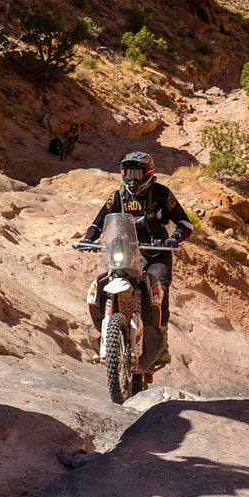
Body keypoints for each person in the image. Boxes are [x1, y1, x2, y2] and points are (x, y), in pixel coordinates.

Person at [80, 151, 192, 364]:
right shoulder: (118, 196)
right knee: (103, 282)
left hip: (156, 253)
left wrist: (174, 238)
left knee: (159, 287)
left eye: (137, 174)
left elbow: (185, 223)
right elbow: (98, 223)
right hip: (125, 252)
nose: (132, 180)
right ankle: (101, 331)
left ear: (148, 174)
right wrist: (88, 238)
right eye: (129, 173)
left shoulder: (161, 194)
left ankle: (161, 339)